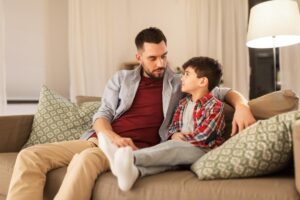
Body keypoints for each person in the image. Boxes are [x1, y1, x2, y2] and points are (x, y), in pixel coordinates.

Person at [6, 27, 255, 200]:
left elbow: (222, 91)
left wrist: (243, 105)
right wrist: (110, 135)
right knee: (30, 155)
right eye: (153, 58)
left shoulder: (179, 82)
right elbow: (102, 113)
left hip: (132, 149)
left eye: (164, 56)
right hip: (100, 139)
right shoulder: (121, 79)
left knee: (86, 161)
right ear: (139, 57)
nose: (160, 63)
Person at [99, 56, 227, 191]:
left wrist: (180, 139)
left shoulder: (215, 106)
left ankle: (129, 157)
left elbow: (204, 136)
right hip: (180, 148)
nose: (182, 78)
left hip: (203, 150)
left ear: (202, 81)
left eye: (187, 74)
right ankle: (134, 173)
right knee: (166, 161)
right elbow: (174, 126)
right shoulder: (183, 103)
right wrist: (173, 135)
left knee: (173, 149)